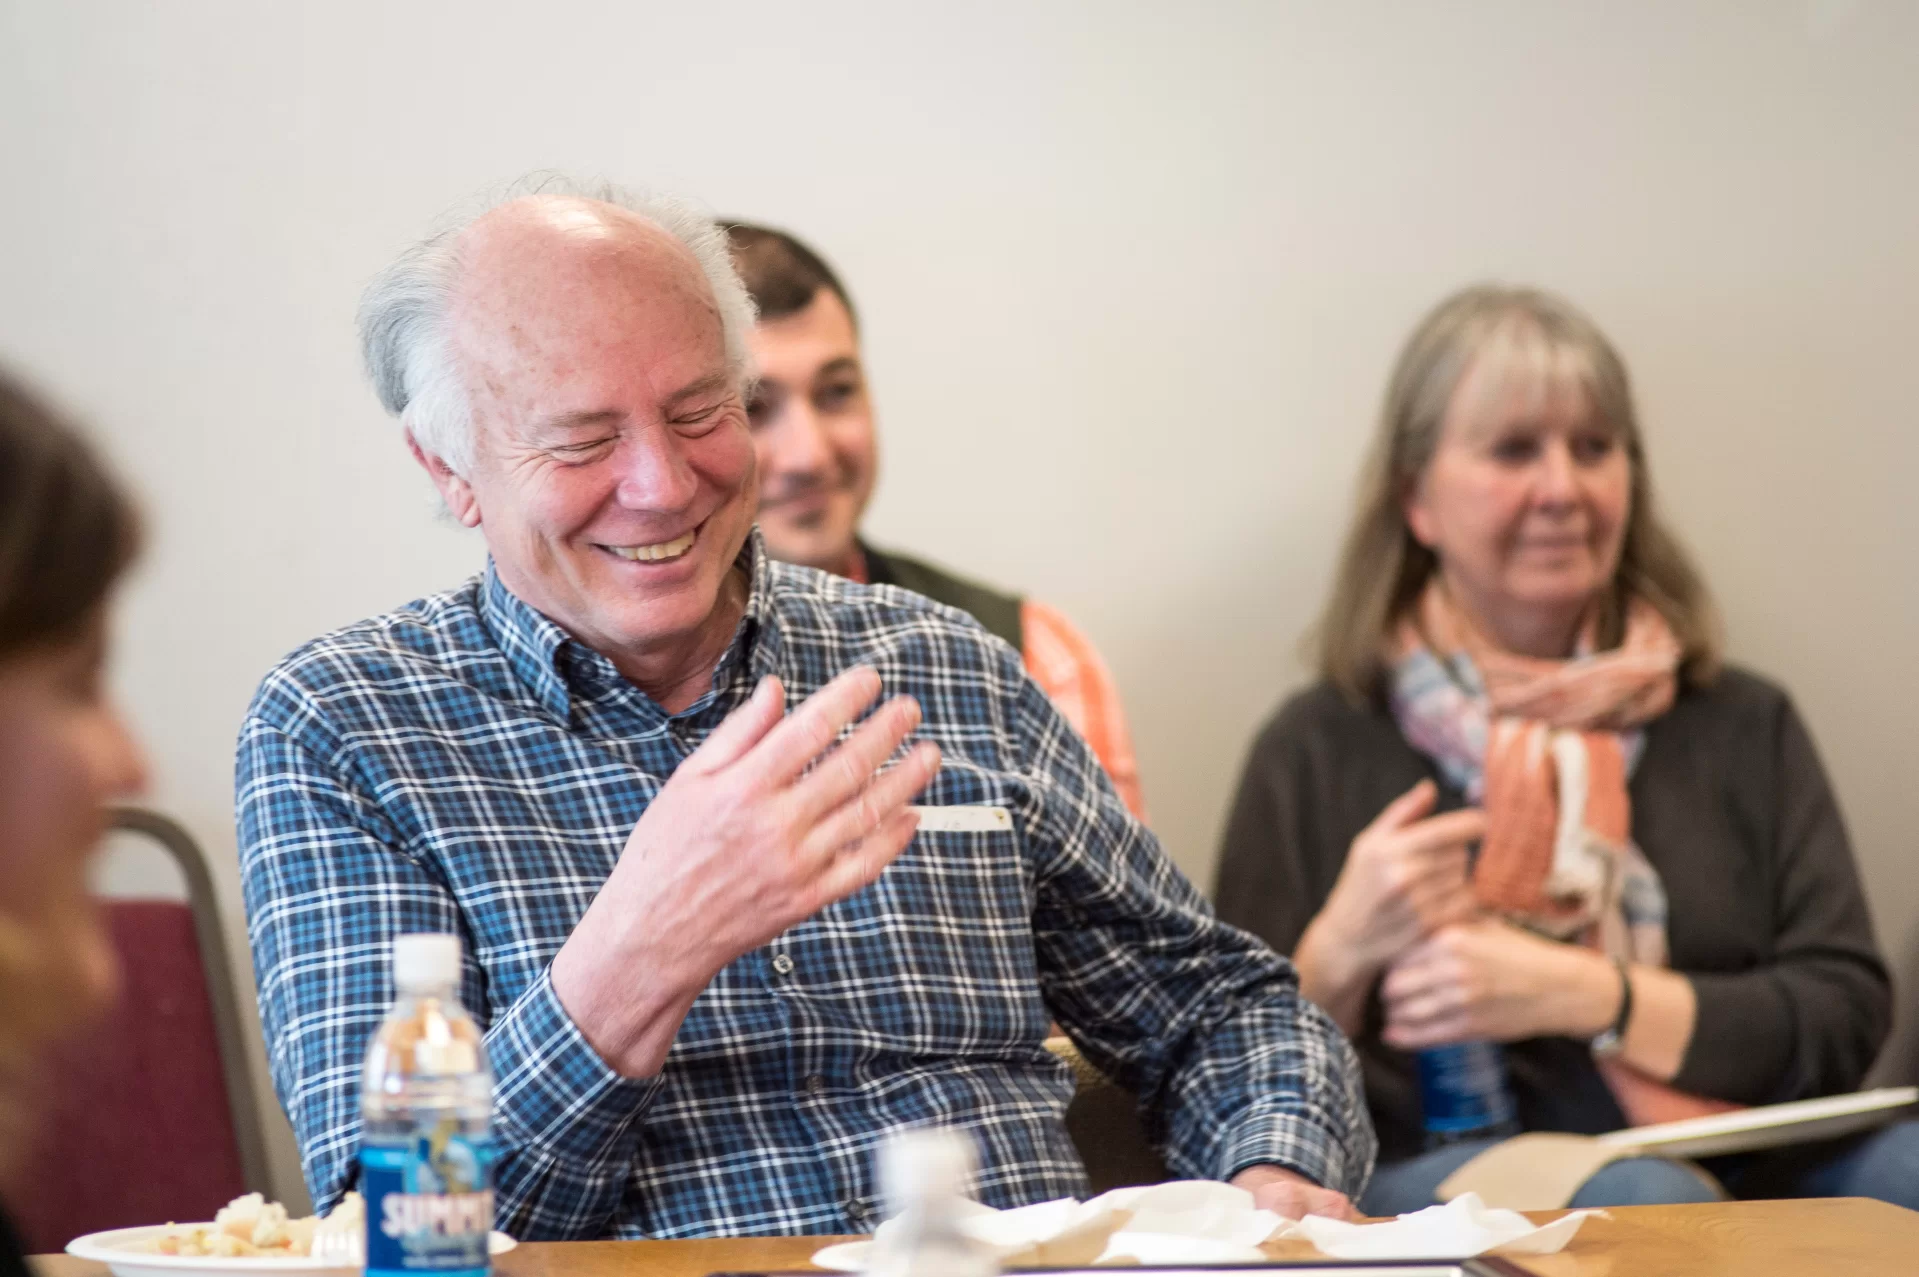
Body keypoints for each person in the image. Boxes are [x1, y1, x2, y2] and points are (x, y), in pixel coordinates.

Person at [238, 175, 1371, 1240]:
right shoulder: (343, 729)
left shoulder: (939, 668)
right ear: (448, 467)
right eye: (585, 439)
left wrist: (1271, 1174)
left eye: (698, 411)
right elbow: (395, 1229)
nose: (664, 482)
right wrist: (640, 951)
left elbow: (1222, 1008)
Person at [1214, 283, 1917, 1214]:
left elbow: (1842, 1015)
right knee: (1648, 1203)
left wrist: (1583, 992)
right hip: (1434, 1177)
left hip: (1743, 1150)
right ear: (1415, 500)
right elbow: (1218, 1068)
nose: (1562, 488)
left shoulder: (1742, 724)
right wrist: (1340, 948)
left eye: (1593, 448)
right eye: (1513, 450)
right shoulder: (1317, 745)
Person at [721, 223, 1147, 819]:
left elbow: (1117, 912)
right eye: (755, 407)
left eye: (837, 392)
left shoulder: (1029, 656)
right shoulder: (608, 684)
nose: (810, 455)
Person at [0, 370, 147, 1266]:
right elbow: (390, 1214)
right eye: (75, 684)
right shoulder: (337, 710)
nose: (132, 764)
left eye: (676, 415)